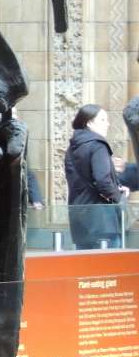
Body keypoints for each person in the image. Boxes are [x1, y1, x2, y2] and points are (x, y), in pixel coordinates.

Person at [65, 104, 129, 249]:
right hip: (102, 220)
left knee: (85, 268)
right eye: (102, 120)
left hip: (79, 217)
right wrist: (118, 197)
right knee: (110, 267)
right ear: (89, 122)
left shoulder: (72, 147)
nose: (108, 123)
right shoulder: (98, 145)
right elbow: (102, 181)